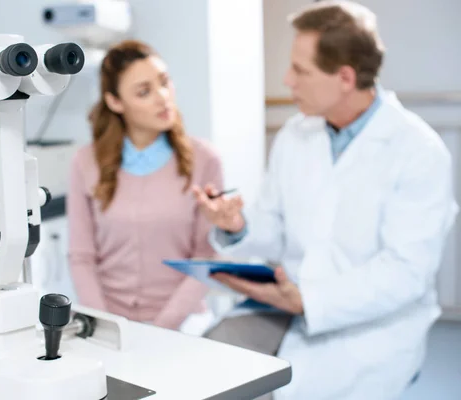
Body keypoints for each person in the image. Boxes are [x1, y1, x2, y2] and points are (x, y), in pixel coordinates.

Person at [193, 2, 458, 399]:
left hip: (370, 328)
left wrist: (309, 300)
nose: (287, 80)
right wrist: (238, 226)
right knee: (204, 367)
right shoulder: (295, 136)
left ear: (345, 77)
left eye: (300, 70)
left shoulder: (418, 150)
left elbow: (406, 273)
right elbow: (274, 224)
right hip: (284, 305)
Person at [68, 40, 224, 331]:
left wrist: (164, 326)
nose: (163, 97)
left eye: (165, 83)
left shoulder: (205, 160)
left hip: (183, 322)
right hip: (109, 322)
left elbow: (206, 256)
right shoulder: (85, 162)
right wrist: (107, 326)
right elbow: (81, 257)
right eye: (144, 92)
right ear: (115, 102)